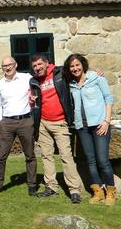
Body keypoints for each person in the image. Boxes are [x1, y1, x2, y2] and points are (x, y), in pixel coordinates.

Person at [29, 53, 82, 204]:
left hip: (60, 122)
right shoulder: (33, 81)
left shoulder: (60, 73)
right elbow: (34, 100)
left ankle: (74, 190)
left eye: (40, 64)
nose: (37, 68)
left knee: (66, 156)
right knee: (46, 156)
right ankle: (51, 187)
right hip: (43, 123)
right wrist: (32, 101)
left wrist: (94, 73)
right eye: (34, 66)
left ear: (47, 63)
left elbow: (77, 72)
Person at [63, 54, 116, 205]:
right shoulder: (71, 84)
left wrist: (107, 121)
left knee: (103, 161)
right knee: (91, 161)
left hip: (100, 125)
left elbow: (108, 98)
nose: (75, 68)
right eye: (71, 66)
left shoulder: (96, 78)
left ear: (83, 65)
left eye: (77, 65)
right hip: (82, 127)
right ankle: (98, 192)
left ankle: (111, 193)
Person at [0, 55, 37, 196]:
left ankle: (32, 185)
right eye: (4, 66)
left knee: (30, 155)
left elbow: (43, 75)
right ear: (2, 68)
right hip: (7, 123)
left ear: (15, 65)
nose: (7, 67)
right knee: (1, 156)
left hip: (25, 121)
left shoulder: (26, 78)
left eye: (10, 65)